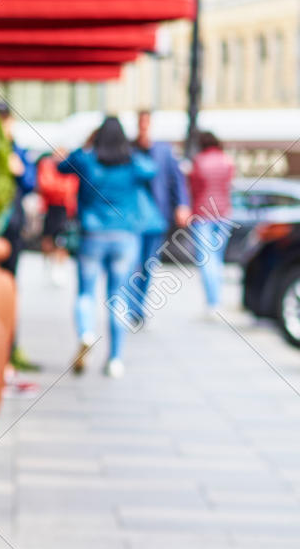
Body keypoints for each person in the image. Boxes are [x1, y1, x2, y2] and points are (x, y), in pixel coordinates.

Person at [56, 117, 159, 378]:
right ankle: (115, 359)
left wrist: (86, 145)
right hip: (125, 237)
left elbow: (62, 166)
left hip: (92, 235)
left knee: (86, 292)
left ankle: (86, 332)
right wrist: (132, 151)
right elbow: (152, 169)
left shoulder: (87, 161)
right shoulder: (133, 164)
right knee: (118, 298)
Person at [124, 109, 190, 324]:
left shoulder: (163, 150)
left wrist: (182, 205)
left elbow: (177, 180)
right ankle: (132, 306)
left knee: (147, 264)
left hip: (156, 218)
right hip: (133, 219)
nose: (144, 126)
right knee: (133, 262)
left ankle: (139, 305)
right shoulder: (129, 149)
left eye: (146, 122)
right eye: (140, 122)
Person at [0, 101, 40, 371]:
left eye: (5, 120)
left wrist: (19, 169)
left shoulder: (18, 152)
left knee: (9, 286)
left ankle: (9, 347)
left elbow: (31, 182)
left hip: (12, 228)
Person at [186, 132, 237, 312]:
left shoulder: (198, 162)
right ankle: (217, 299)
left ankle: (213, 302)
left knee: (206, 259)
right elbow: (229, 186)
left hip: (203, 213)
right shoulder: (227, 161)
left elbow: (193, 189)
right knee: (217, 258)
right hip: (224, 214)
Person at [35, 149, 79, 287]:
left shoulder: (70, 167)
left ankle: (59, 266)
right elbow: (45, 185)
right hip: (50, 208)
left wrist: (58, 188)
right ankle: (48, 263)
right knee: (48, 238)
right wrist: (61, 189)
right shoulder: (47, 164)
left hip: (66, 208)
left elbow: (72, 187)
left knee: (64, 239)